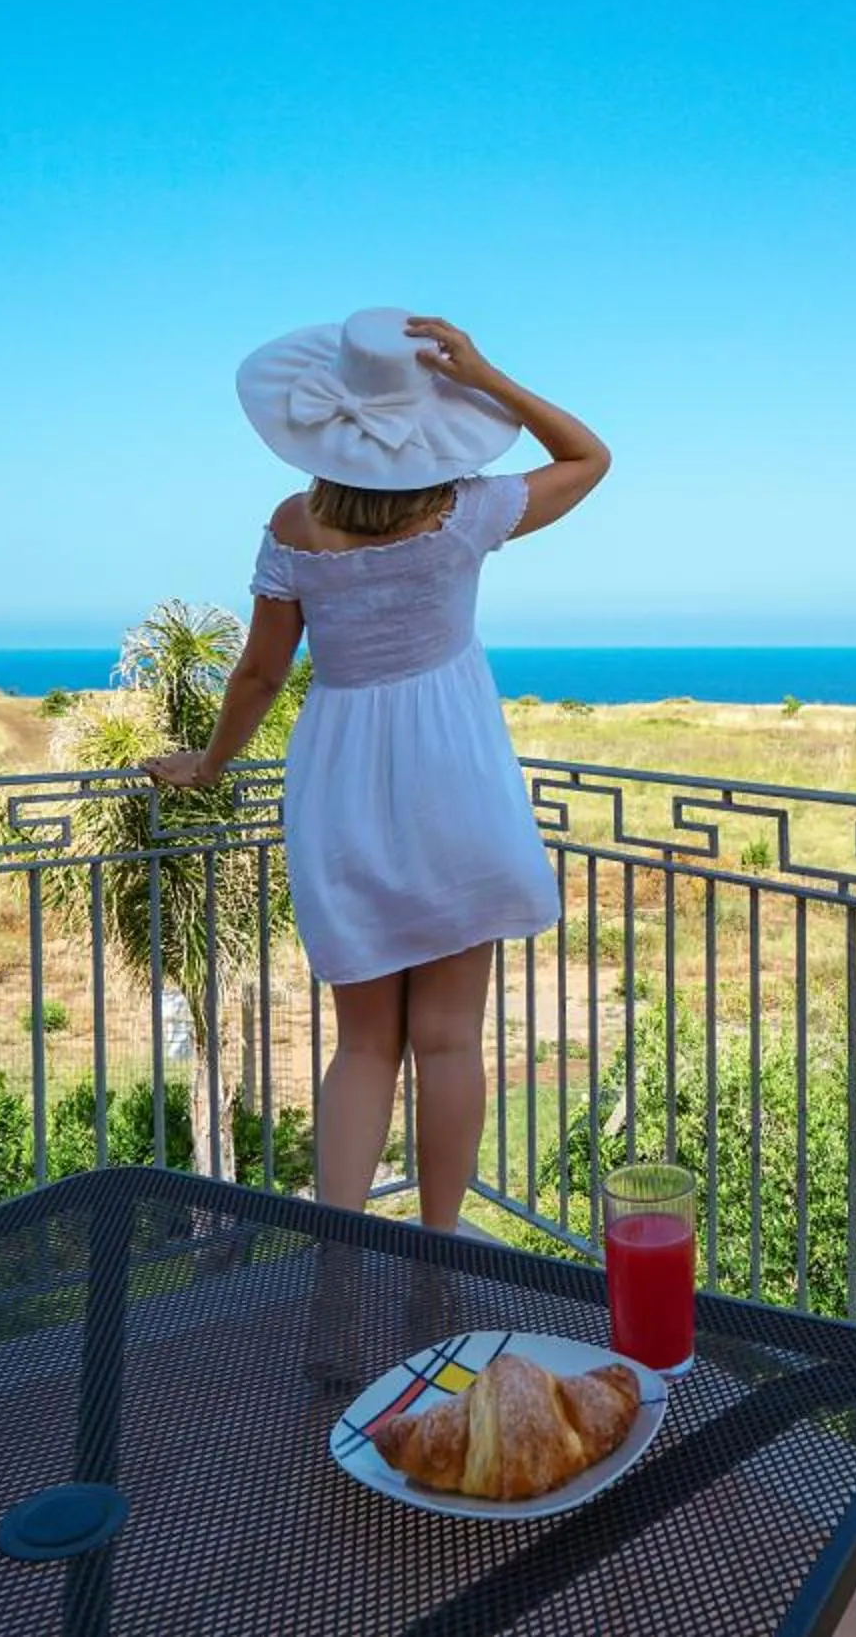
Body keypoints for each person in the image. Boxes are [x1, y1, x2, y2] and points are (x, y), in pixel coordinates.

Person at [145, 310, 607, 1234]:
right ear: (433, 413)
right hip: (456, 785)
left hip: (344, 790)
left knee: (363, 1046)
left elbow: (261, 673)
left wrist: (207, 763)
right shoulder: (468, 512)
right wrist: (489, 373)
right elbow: (587, 459)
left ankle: (339, 1256)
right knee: (447, 1043)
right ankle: (438, 1252)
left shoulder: (295, 525)